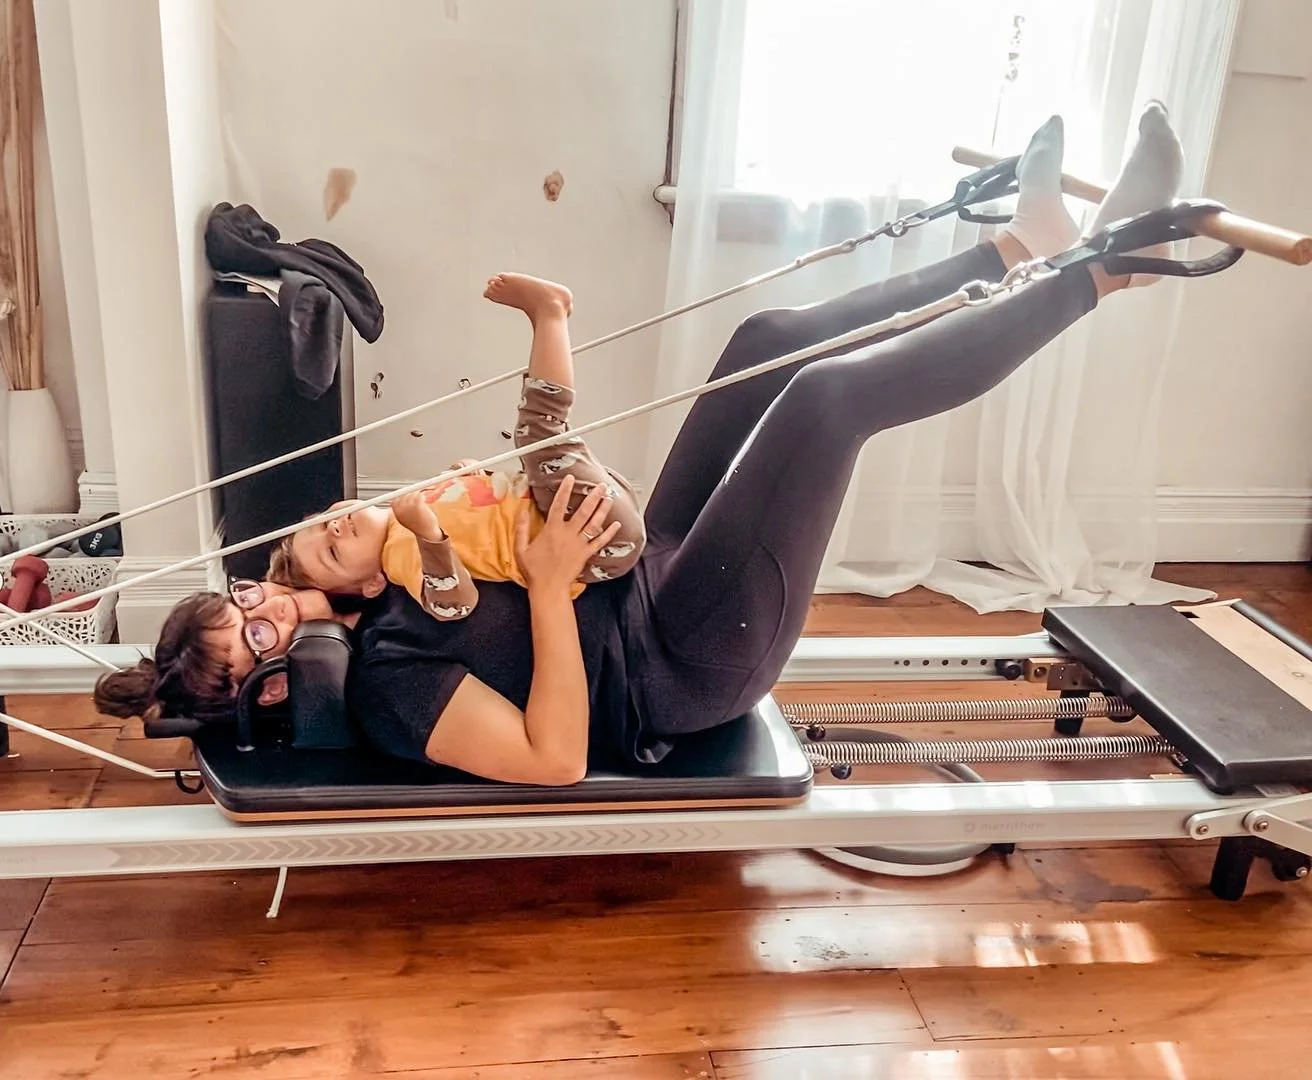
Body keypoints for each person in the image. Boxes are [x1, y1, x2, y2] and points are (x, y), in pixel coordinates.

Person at [96, 107, 1192, 783]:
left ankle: (1017, 247)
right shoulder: (385, 686)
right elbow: (554, 759)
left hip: (646, 569)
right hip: (680, 659)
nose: (263, 613)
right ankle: (1101, 273)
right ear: (272, 690)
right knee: (819, 404)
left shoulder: (383, 572)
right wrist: (549, 585)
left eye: (238, 605)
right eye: (249, 644)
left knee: (761, 343)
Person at [263, 272, 644, 621]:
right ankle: (550, 314)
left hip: (576, 512)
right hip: (595, 541)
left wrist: (470, 475)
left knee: (540, 441)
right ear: (372, 585)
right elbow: (454, 605)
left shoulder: (403, 513)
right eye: (333, 553)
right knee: (538, 432)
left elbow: (481, 517)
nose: (335, 530)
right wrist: (428, 533)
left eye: (323, 522)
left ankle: (548, 319)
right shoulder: (400, 556)